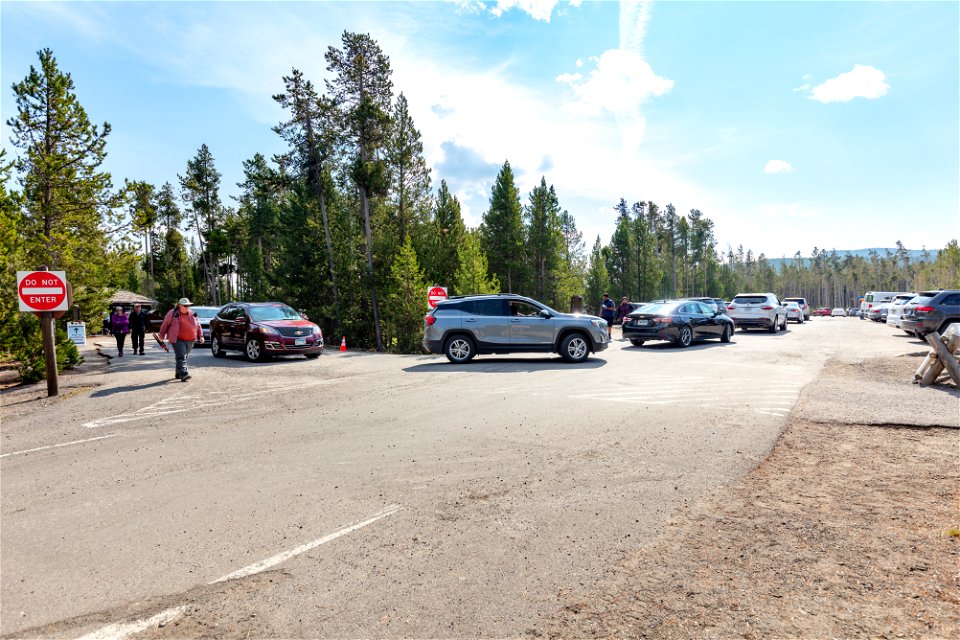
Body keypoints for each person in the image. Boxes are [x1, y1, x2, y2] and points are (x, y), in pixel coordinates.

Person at [158, 298, 203, 381]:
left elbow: (198, 324)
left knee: (183, 356)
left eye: (189, 305)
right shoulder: (172, 313)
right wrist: (161, 336)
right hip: (177, 339)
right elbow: (165, 324)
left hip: (190, 339)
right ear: (180, 306)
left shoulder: (192, 313)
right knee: (181, 356)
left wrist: (201, 336)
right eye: (185, 306)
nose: (187, 307)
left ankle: (178, 372)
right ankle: (183, 374)